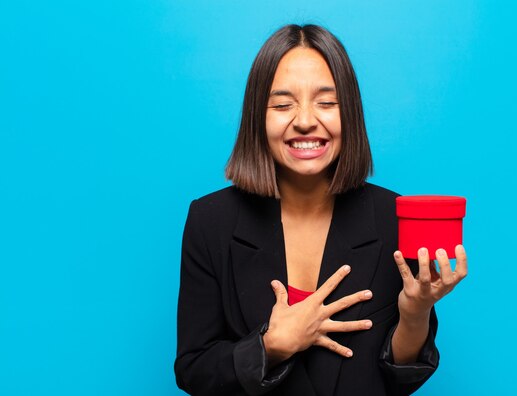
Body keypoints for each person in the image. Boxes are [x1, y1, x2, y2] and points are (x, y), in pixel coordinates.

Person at [174, 24, 467, 396]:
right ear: (257, 119)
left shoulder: (393, 218)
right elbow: (193, 369)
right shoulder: (210, 220)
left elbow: (397, 377)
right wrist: (270, 346)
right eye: (283, 105)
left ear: (351, 114)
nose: (306, 120)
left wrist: (415, 313)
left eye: (327, 103)